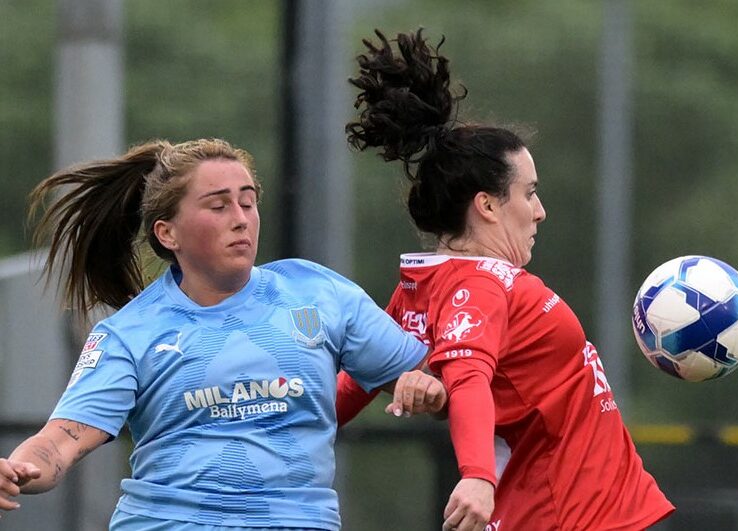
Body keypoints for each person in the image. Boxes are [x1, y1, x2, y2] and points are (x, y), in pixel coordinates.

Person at [0, 138, 447, 530]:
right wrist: (18, 470)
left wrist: (424, 384)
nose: (241, 219)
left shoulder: (318, 292)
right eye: (218, 206)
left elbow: (436, 378)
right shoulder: (129, 333)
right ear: (167, 233)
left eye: (248, 202)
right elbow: (59, 442)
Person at [336, 29, 675, 531]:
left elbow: (356, 382)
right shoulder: (480, 284)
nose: (540, 211)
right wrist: (476, 477)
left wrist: (282, 425)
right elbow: (468, 375)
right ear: (488, 205)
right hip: (573, 519)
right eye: (529, 193)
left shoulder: (430, 286)